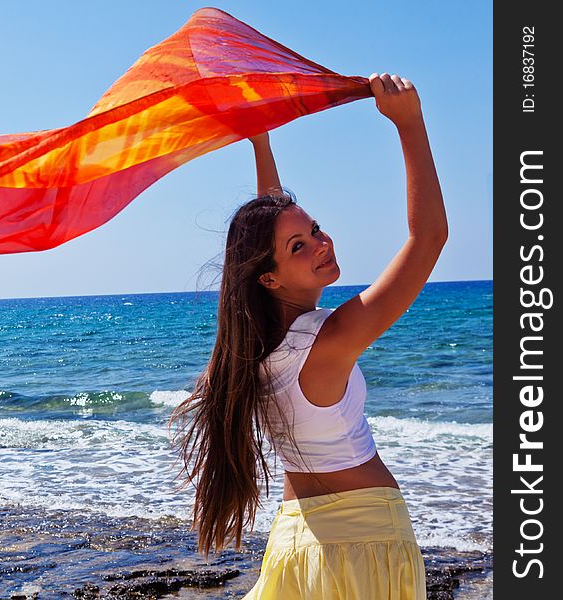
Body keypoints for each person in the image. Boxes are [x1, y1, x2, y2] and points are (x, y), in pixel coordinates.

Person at [168, 73, 448, 599]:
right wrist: (409, 124)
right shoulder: (329, 338)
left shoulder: (246, 353)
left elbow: (267, 231)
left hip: (295, 541)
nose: (321, 244)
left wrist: (261, 139)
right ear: (269, 279)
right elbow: (429, 236)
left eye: (316, 230)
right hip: (367, 545)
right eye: (301, 246)